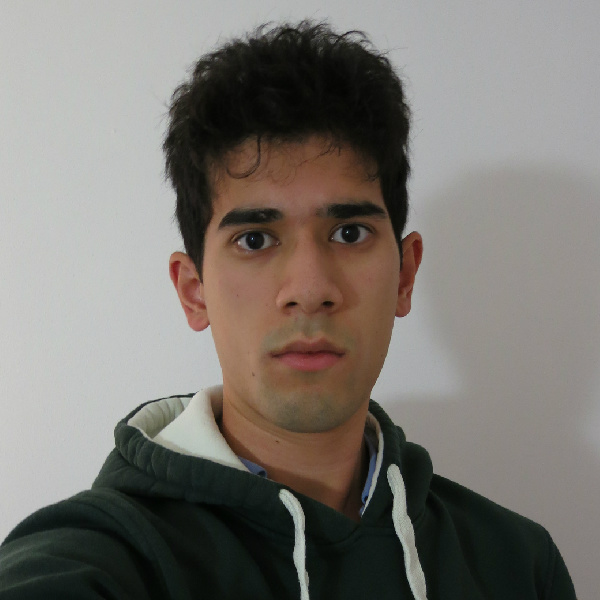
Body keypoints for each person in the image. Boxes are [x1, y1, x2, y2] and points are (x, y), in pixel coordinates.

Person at [0, 21, 576, 600]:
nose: (310, 288)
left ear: (404, 275)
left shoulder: (517, 564)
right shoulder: (101, 561)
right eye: (255, 239)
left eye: (349, 233)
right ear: (194, 291)